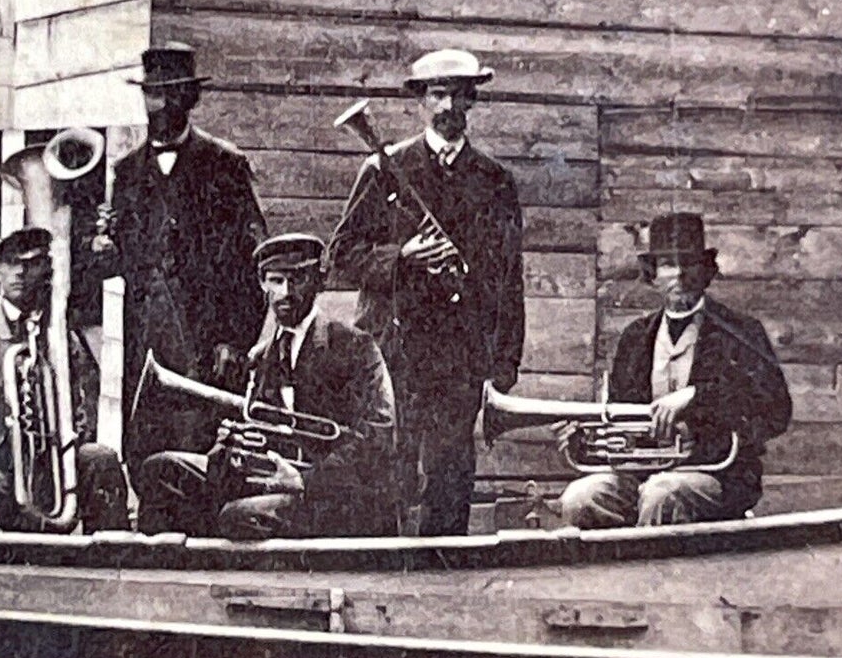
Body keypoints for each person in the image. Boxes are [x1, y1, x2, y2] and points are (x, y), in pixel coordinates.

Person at [328, 48, 524, 536]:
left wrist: (504, 363)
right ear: (421, 101)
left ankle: (445, 580)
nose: (447, 106)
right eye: (438, 94)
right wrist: (402, 256)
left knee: (451, 474)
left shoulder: (495, 181)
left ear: (472, 101)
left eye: (458, 95)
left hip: (458, 354)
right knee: (388, 469)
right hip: (393, 349)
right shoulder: (385, 167)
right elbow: (343, 254)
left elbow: (508, 278)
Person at [135, 233, 396, 539]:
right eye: (276, 281)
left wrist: (305, 479)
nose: (285, 293)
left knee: (239, 516)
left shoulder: (355, 346)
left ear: (319, 282)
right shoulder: (261, 358)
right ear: (263, 284)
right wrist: (229, 446)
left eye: (297, 279)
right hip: (274, 481)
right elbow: (258, 435)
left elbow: (380, 435)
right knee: (161, 470)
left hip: (331, 493)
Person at [92, 42, 266, 463]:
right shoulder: (126, 171)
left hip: (209, 342)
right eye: (153, 93)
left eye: (172, 93)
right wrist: (101, 249)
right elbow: (116, 263)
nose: (161, 105)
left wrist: (236, 338)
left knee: (207, 453)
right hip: (147, 342)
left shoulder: (225, 163)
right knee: (146, 451)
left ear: (192, 99)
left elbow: (254, 260)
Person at [559, 213, 792, 527]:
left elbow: (777, 410)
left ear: (707, 271)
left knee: (662, 495)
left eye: (690, 263)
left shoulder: (741, 332)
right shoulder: (635, 337)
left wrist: (696, 397)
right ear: (653, 274)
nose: (679, 275)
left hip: (717, 473)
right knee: (580, 498)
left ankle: (649, 576)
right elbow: (619, 423)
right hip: (642, 473)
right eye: (668, 264)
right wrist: (583, 444)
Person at [0, 225, 129, 531]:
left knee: (100, 460)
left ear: (48, 271)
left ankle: (108, 562)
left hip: (43, 463)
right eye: (11, 263)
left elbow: (80, 411)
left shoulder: (61, 337)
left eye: (32, 263)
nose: (20, 272)